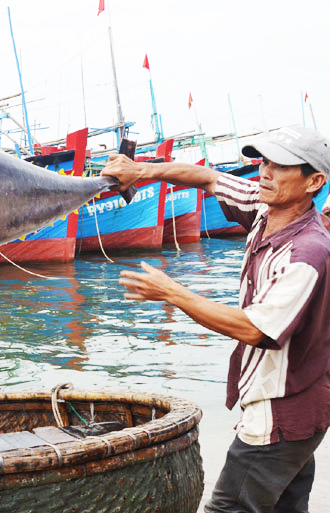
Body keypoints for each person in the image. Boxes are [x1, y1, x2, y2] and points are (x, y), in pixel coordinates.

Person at [103, 125, 330, 513]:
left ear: (315, 182)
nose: (265, 172)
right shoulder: (264, 206)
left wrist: (171, 292)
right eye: (265, 161)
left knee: (228, 508)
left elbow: (255, 329)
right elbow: (207, 178)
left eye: (281, 167)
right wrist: (142, 171)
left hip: (282, 411)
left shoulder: (306, 254)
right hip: (302, 404)